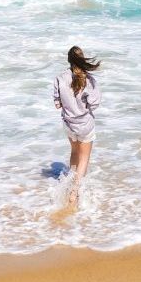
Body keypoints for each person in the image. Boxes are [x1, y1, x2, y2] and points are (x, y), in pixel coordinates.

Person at [53, 46, 101, 207]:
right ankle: (75, 190)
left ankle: (69, 181)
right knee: (84, 157)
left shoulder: (60, 78)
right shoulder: (89, 80)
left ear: (68, 60)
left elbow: (57, 104)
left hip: (68, 123)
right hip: (84, 124)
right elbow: (94, 104)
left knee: (74, 151)